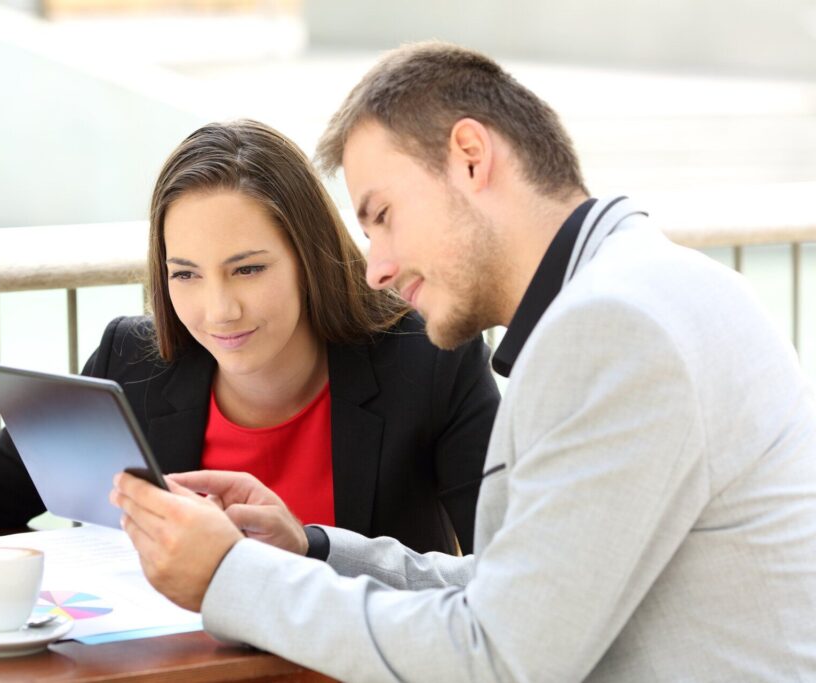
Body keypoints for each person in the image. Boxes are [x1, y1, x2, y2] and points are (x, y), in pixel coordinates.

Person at [109, 43, 816, 681]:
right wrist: (310, 548)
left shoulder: (613, 327)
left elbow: (499, 656)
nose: (376, 268)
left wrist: (231, 575)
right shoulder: (645, 290)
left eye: (382, 215)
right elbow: (509, 591)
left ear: (471, 157)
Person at [0, 119, 500, 559]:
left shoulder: (428, 359)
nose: (219, 308)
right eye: (186, 274)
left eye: (249, 268)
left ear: (311, 257)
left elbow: (504, 569)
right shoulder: (136, 361)